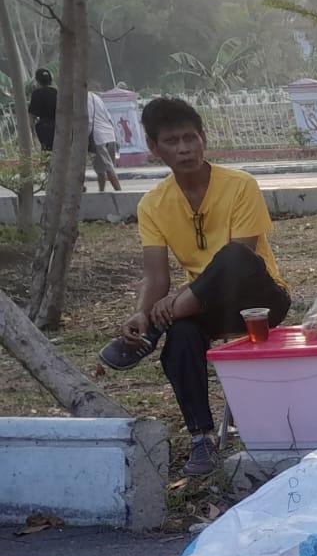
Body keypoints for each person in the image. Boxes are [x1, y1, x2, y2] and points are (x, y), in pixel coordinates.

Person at [99, 97, 291, 477]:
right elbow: (156, 276)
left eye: (191, 138)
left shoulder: (240, 185)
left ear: (204, 138)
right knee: (183, 337)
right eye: (172, 141)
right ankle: (202, 437)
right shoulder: (153, 205)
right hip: (199, 306)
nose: (184, 148)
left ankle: (160, 324)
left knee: (234, 257)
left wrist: (175, 304)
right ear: (154, 149)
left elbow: (243, 258)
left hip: (260, 300)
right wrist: (142, 309)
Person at [87, 88, 122, 193]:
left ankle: (120, 193)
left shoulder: (84, 99)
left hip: (98, 137)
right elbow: (108, 116)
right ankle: (101, 193)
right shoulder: (95, 97)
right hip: (109, 134)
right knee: (101, 170)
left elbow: (88, 120)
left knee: (107, 168)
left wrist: (85, 139)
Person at [27, 68, 55, 152]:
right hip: (61, 126)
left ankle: (47, 165)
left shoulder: (37, 93)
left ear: (38, 81)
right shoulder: (58, 91)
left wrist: (33, 133)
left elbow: (32, 116)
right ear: (51, 80)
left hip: (45, 127)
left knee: (47, 152)